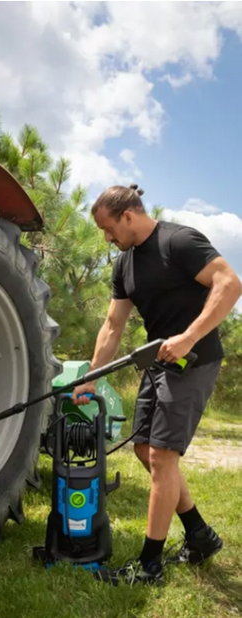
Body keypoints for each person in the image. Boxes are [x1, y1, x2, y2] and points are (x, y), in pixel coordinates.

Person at [72, 184, 242, 586]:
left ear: (128, 215)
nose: (107, 238)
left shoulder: (178, 241)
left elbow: (229, 283)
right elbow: (112, 325)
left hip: (194, 359)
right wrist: (92, 378)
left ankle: (148, 566)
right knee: (144, 449)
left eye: (109, 228)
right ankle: (199, 534)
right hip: (159, 362)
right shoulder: (125, 265)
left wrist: (189, 337)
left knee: (163, 457)